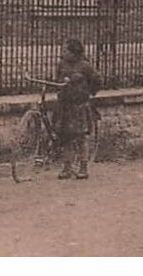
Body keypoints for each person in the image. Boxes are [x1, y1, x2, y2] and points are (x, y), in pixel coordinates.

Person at [55, 39, 99, 180]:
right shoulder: (61, 64)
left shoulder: (85, 66)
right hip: (65, 106)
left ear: (74, 52)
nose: (62, 53)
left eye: (65, 50)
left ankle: (83, 168)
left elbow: (97, 81)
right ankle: (67, 168)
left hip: (79, 106)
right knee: (65, 137)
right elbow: (57, 80)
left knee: (81, 138)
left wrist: (89, 93)